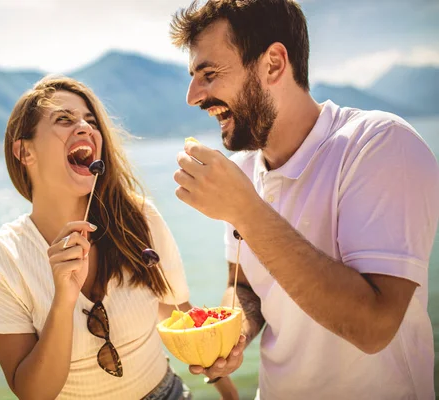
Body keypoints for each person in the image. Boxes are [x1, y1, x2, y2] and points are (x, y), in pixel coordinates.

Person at [169, 1, 439, 399]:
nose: (193, 96)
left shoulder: (378, 145)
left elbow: (375, 327)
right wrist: (232, 333)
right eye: (194, 77)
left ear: (274, 64)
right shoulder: (241, 172)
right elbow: (242, 285)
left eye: (209, 74)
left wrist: (245, 208)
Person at [0, 75, 238, 399]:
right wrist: (63, 300)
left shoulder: (139, 219)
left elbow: (176, 312)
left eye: (90, 120)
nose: (85, 128)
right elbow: (33, 393)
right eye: (64, 119)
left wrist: (226, 387)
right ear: (24, 152)